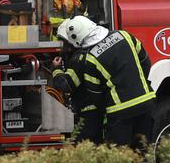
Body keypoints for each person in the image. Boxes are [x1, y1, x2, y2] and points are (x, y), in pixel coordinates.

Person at [54, 15, 156, 149]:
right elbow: (145, 61)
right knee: (144, 151)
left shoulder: (90, 59)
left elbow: (95, 94)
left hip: (120, 113)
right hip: (146, 103)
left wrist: (56, 70)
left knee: (121, 157)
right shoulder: (124, 36)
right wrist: (140, 85)